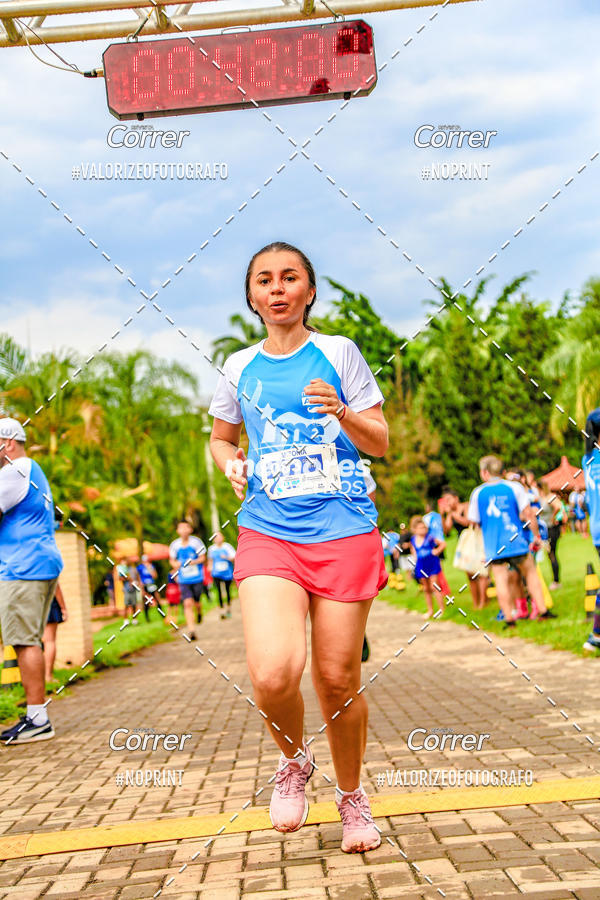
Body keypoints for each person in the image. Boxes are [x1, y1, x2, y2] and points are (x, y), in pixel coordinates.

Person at [208, 242, 388, 853]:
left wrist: (342, 411)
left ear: (309, 291)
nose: (278, 288)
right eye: (265, 280)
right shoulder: (237, 366)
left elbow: (381, 440)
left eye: (291, 278)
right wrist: (231, 463)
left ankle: (352, 797)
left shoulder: (339, 353)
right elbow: (221, 439)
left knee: (337, 678)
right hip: (268, 528)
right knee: (272, 672)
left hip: (342, 527)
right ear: (253, 296)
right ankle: (293, 760)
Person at [0, 418, 63, 744]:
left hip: (22, 568)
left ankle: (37, 719)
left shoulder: (15, 470)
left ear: (7, 442)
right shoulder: (29, 469)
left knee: (24, 641)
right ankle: (35, 716)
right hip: (35, 564)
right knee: (28, 639)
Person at [468, 455, 556, 628]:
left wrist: (483, 548)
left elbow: (474, 523)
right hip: (516, 539)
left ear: (485, 472)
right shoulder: (514, 487)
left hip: (494, 545)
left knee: (501, 580)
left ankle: (509, 619)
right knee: (530, 573)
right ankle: (543, 611)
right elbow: (528, 514)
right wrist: (536, 536)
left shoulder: (478, 493)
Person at [169, 521, 207, 640]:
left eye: (186, 527)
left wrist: (193, 562)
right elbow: (172, 560)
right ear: (177, 531)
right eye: (181, 528)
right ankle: (192, 630)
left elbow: (203, 557)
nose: (183, 530)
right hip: (183, 579)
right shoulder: (174, 545)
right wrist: (177, 564)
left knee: (196, 602)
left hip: (197, 577)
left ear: (190, 529)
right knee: (187, 603)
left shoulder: (196, 542)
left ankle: (199, 611)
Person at [409, 516, 446, 618]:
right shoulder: (413, 539)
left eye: (424, 527)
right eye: (420, 528)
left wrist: (437, 551)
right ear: (415, 529)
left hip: (432, 563)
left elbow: (443, 544)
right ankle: (430, 610)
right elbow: (414, 552)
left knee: (435, 586)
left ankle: (441, 610)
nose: (423, 530)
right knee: (426, 588)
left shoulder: (430, 537)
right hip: (421, 565)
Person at [538, 479, 563, 589]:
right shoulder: (541, 498)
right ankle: (555, 580)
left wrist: (553, 518)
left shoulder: (549, 497)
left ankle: (556, 581)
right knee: (550, 554)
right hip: (545, 529)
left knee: (552, 553)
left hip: (551, 528)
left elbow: (558, 506)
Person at [43, 582, 68, 683]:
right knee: (49, 641)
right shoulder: (46, 566)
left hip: (31, 604)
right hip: (48, 602)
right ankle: (48, 676)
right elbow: (55, 586)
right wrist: (63, 608)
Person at [207, 532, 236, 619]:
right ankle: (221, 610)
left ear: (223, 538)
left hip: (227, 572)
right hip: (216, 573)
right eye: (215, 537)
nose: (218, 539)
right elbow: (210, 560)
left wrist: (226, 557)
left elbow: (234, 557)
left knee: (227, 591)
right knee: (219, 591)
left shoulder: (227, 547)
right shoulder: (211, 549)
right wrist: (209, 567)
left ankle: (228, 608)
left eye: (219, 537)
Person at [136, 554, 165, 619]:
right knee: (146, 601)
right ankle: (147, 618)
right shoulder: (140, 567)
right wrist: (141, 588)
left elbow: (155, 576)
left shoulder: (151, 566)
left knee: (157, 599)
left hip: (151, 584)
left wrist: (150, 569)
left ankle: (162, 615)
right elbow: (139, 578)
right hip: (145, 585)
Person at [118, 558, 141, 624]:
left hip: (133, 589)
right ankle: (126, 620)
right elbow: (120, 578)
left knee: (134, 605)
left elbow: (138, 577)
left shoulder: (133, 569)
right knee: (126, 605)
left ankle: (135, 620)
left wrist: (137, 583)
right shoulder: (122, 569)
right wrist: (128, 578)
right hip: (126, 590)